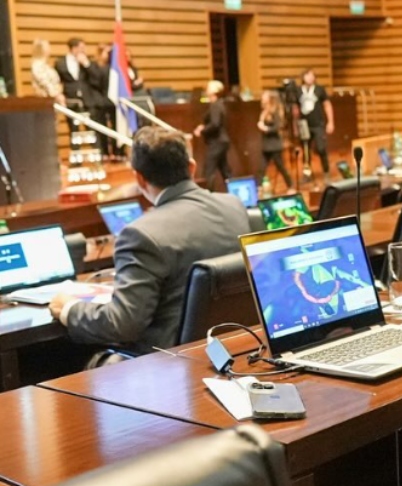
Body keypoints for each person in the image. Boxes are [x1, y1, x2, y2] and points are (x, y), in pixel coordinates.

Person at [49, 126, 250, 353]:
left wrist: (70, 309)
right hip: (236, 350)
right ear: (192, 168)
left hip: (168, 363)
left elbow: (121, 324)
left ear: (139, 178)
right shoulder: (234, 206)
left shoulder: (141, 234)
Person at [296, 68, 335, 184]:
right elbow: (295, 110)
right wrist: (295, 126)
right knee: (306, 151)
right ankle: (307, 174)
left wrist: (330, 122)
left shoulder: (319, 89)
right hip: (304, 125)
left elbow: (327, 105)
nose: (310, 78)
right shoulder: (298, 91)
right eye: (307, 75)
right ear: (303, 77)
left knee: (321, 148)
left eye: (312, 75)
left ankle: (326, 171)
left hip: (318, 124)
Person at [193, 80, 230, 191]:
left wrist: (202, 130)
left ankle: (207, 196)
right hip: (221, 141)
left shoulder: (215, 106)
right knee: (226, 171)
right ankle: (237, 193)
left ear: (213, 91)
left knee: (208, 172)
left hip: (216, 142)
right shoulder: (219, 104)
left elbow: (215, 124)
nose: (206, 90)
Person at [258, 89, 294, 191]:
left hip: (274, 145)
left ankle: (290, 186)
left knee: (281, 167)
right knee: (261, 168)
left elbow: (277, 127)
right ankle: (259, 188)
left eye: (264, 97)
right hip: (266, 145)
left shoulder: (275, 111)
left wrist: (265, 128)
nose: (262, 98)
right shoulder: (264, 112)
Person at [30, 39, 64, 105]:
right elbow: (45, 82)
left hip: (52, 99)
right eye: (48, 47)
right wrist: (56, 95)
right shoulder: (37, 65)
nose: (50, 49)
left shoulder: (45, 65)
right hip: (46, 100)